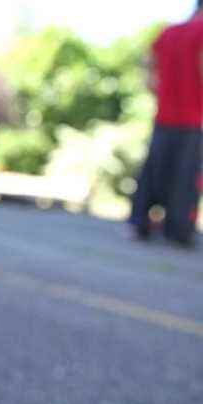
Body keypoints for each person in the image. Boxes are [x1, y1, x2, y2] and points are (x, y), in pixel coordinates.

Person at [129, 1, 203, 248]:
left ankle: (140, 223)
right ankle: (178, 232)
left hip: (164, 115)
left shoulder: (169, 32)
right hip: (193, 117)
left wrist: (157, 89)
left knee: (153, 170)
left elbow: (148, 65)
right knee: (185, 176)